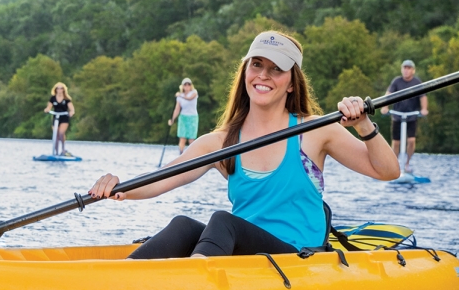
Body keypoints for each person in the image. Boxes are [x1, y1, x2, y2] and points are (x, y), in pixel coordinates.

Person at [88, 31, 400, 259]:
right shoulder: (221, 142)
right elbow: (162, 179)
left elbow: (388, 171)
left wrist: (363, 124)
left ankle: (193, 288)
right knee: (183, 226)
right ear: (245, 72)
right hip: (245, 257)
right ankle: (116, 284)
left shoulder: (316, 131)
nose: (263, 76)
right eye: (257, 65)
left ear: (292, 83)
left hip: (299, 258)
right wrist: (120, 188)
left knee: (223, 222)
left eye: (276, 69)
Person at [380, 59, 429, 173]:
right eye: (404, 68)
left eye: (409, 68)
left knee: (411, 141)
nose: (406, 70)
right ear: (402, 69)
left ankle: (407, 164)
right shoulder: (397, 81)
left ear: (413, 70)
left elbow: (423, 97)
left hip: (411, 116)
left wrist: (424, 109)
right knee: (396, 142)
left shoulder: (417, 82)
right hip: (397, 116)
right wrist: (385, 107)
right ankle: (394, 165)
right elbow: (388, 94)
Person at [43, 82, 75, 156]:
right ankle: (56, 152)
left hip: (64, 117)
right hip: (56, 117)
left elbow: (72, 109)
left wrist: (71, 113)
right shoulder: (53, 98)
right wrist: (47, 110)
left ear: (63, 90)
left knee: (61, 133)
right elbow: (49, 107)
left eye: (61, 88)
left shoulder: (67, 99)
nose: (59, 90)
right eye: (58, 88)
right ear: (55, 89)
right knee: (55, 135)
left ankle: (63, 149)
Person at [169, 77, 199, 153]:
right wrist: (172, 119)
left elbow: (190, 98)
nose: (187, 86)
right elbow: (177, 109)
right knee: (182, 138)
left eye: (189, 84)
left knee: (191, 139)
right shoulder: (180, 97)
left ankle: (192, 155)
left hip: (193, 118)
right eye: (185, 84)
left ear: (191, 86)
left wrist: (180, 96)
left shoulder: (194, 92)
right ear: (182, 86)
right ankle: (181, 154)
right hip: (183, 118)